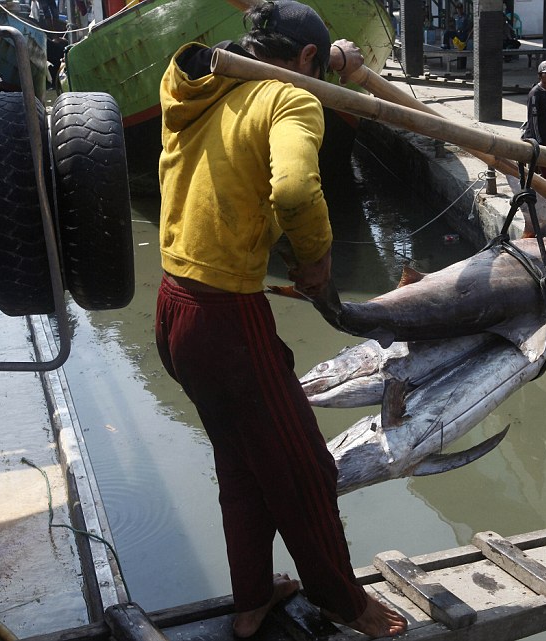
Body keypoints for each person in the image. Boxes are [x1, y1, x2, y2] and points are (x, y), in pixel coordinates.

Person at [154, 2, 409, 638]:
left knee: (240, 463)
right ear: (302, 62)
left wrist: (341, 63)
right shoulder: (287, 99)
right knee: (306, 469)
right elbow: (294, 189)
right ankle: (344, 602)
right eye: (316, 68)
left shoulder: (198, 86)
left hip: (171, 307)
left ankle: (250, 601)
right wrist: (317, 263)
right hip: (224, 318)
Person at [522, 60, 546, 186]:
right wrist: (538, 142)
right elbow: (533, 120)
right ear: (540, 75)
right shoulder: (535, 94)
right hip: (538, 139)